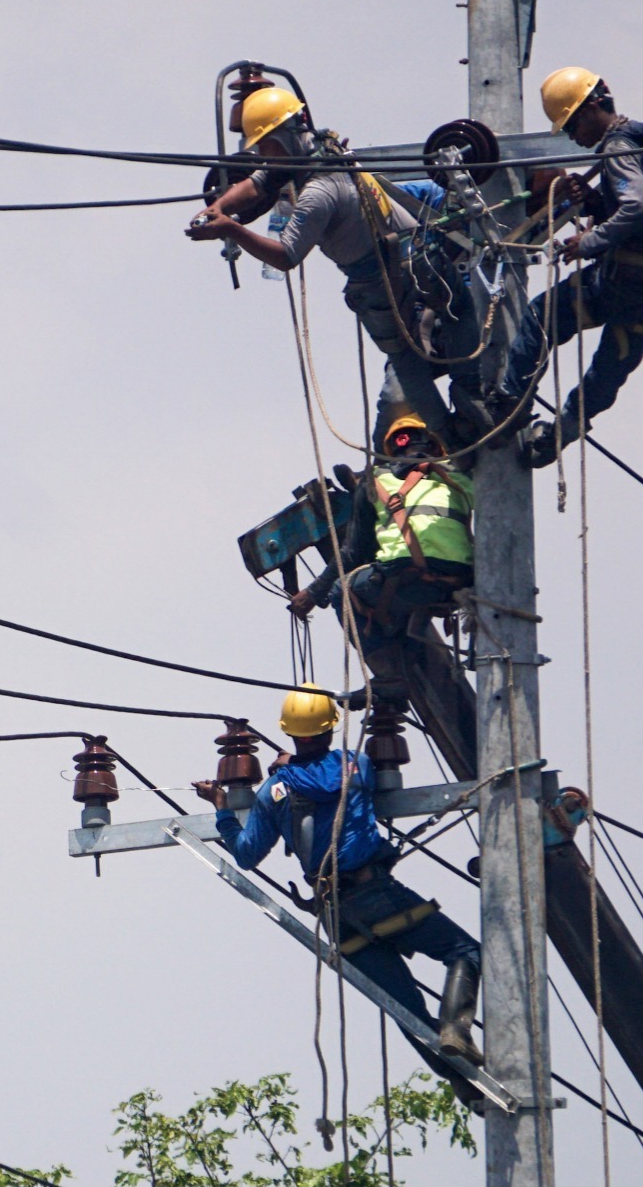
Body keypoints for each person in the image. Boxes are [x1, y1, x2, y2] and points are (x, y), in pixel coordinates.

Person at [194, 684, 484, 1094]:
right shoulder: (357, 765)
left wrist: (223, 808)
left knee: (407, 1012)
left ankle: (468, 1088)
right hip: (378, 895)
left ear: (290, 732)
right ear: (331, 729)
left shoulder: (272, 792)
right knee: (465, 952)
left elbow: (245, 854)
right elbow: (331, 778)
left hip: (334, 915)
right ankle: (456, 1028)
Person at [185, 88, 474, 448]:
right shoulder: (322, 148)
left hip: (387, 274)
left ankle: (455, 429)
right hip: (411, 258)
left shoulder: (318, 192)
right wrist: (221, 207)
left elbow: (286, 256)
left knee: (406, 355)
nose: (263, 155)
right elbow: (258, 183)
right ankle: (471, 400)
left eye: (267, 146)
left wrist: (231, 229)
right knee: (455, 311)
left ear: (287, 136)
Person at [496, 66, 643, 467]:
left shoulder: (618, 147)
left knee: (543, 315)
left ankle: (508, 406)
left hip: (621, 281)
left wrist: (587, 241)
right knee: (609, 371)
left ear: (594, 107)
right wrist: (593, 203)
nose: (573, 137)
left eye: (572, 125)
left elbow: (638, 207)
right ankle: (560, 433)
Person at [289, 414, 474, 645]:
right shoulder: (462, 479)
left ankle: (389, 676)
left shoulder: (376, 480)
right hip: (459, 582)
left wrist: (313, 593)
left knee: (341, 591)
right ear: (436, 447)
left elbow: (352, 553)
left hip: (409, 581)